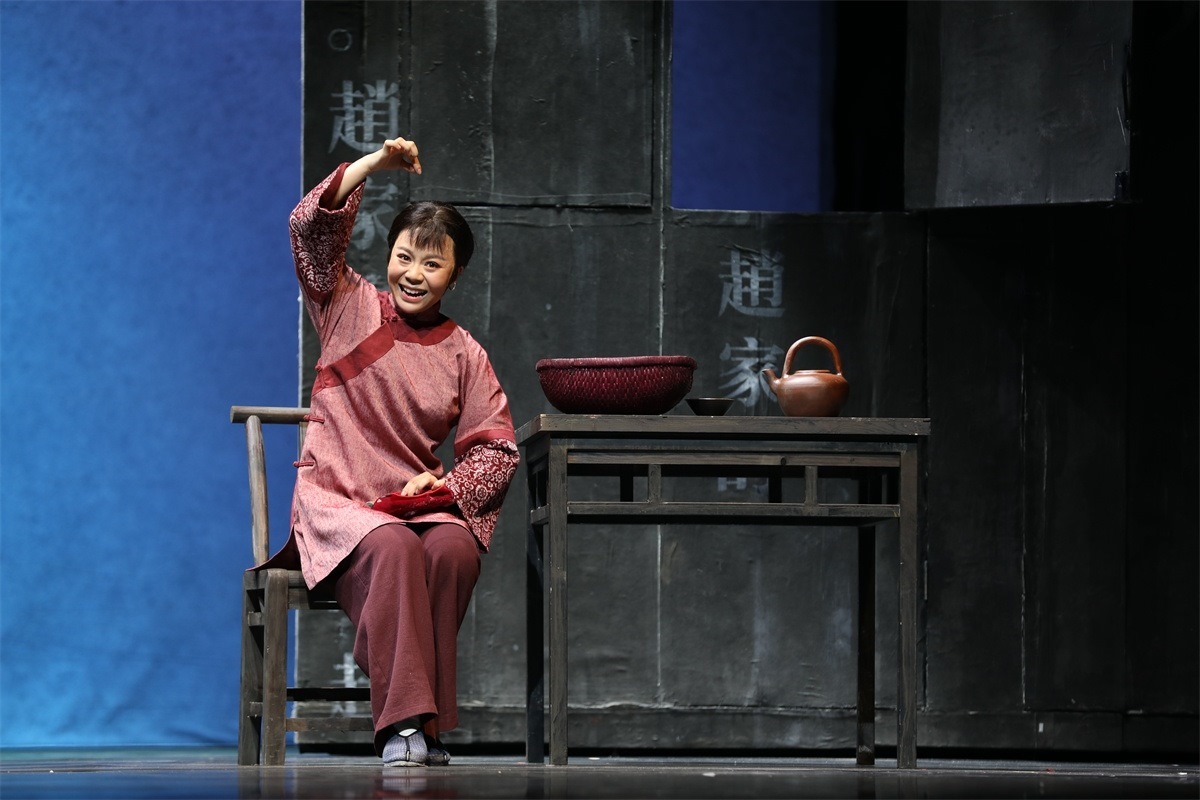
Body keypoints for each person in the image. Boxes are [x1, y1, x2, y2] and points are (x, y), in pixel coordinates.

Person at [255, 135, 520, 767]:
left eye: (432, 265)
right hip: (340, 502)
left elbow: (498, 449)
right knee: (395, 547)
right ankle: (404, 726)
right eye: (404, 257)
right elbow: (308, 228)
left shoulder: (465, 353)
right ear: (389, 255)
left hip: (412, 505)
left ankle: (424, 722)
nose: (413, 274)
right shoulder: (346, 306)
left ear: (455, 275)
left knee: (454, 548)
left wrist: (444, 488)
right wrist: (373, 164)